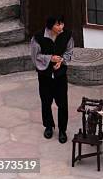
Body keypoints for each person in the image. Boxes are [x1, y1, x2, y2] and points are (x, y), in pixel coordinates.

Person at [30, 15, 74, 144]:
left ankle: (62, 130)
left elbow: (69, 51)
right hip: (45, 76)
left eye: (62, 24)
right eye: (58, 25)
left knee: (63, 104)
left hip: (60, 76)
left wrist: (61, 60)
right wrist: (50, 58)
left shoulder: (67, 35)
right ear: (50, 26)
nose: (61, 27)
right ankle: (48, 126)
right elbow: (35, 56)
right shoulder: (38, 38)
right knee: (46, 102)